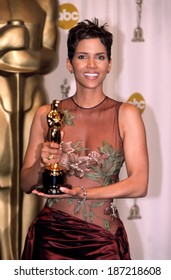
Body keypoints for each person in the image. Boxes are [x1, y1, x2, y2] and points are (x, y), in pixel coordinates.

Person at [21, 18, 149, 260]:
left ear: (110, 64)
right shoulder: (48, 114)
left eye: (100, 57)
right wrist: (40, 161)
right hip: (51, 239)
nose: (92, 65)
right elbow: (25, 184)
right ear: (69, 64)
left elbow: (139, 184)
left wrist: (81, 192)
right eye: (82, 57)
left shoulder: (126, 114)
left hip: (103, 241)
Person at [0, 0, 58, 259]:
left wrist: (16, 56)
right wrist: (9, 39)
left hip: (32, 99)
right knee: (3, 173)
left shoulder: (45, 1)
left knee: (32, 178)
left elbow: (49, 55)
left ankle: (24, 261)